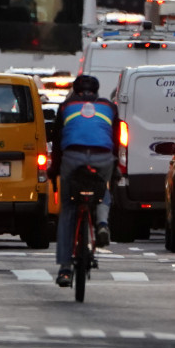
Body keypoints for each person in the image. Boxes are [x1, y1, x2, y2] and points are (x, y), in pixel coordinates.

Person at [47, 74, 117, 287]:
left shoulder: (66, 107)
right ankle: (102, 223)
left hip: (73, 156)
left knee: (68, 206)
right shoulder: (109, 107)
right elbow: (115, 139)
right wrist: (116, 168)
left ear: (75, 91)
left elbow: (58, 142)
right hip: (103, 156)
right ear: (97, 92)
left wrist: (54, 170)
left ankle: (66, 269)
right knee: (103, 187)